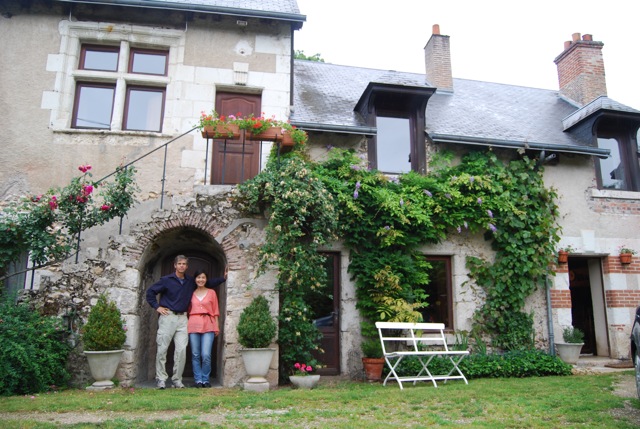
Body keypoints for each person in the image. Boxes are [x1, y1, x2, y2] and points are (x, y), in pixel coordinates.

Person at [146, 255, 227, 389]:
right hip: (168, 317)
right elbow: (150, 292)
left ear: (187, 266)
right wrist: (157, 307)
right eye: (180, 264)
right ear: (175, 265)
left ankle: (177, 379)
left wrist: (223, 279)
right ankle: (161, 378)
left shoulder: (190, 280)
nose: (182, 266)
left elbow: (206, 283)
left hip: (183, 319)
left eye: (184, 264)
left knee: (181, 350)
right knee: (162, 349)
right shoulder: (166, 280)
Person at [188, 270, 221, 388]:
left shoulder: (211, 292)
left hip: (209, 324)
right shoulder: (191, 292)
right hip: (193, 323)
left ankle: (205, 379)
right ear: (195, 279)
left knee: (206, 354)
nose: (200, 280)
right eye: (198, 277)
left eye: (203, 277)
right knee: (195, 354)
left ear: (206, 279)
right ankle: (198, 380)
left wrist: (216, 326)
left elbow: (216, 310)